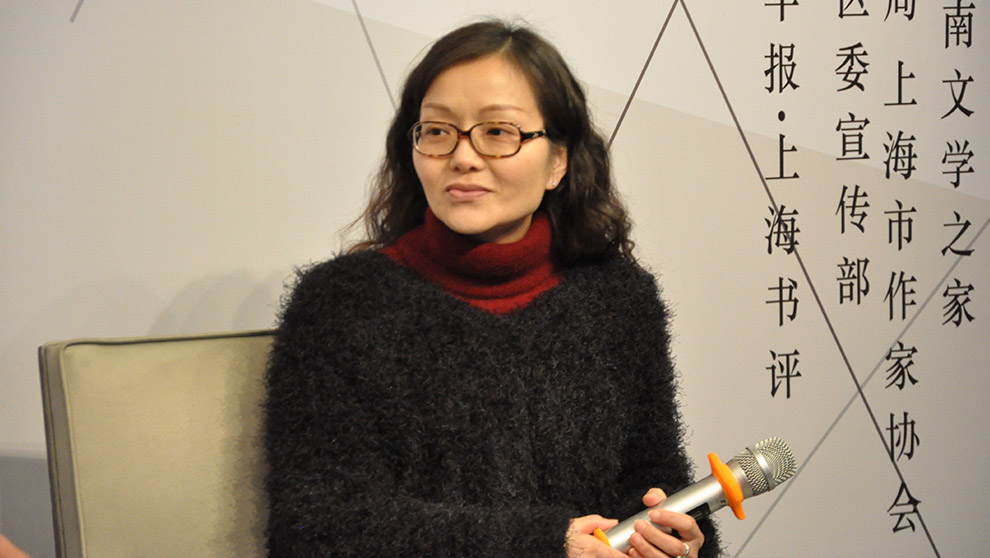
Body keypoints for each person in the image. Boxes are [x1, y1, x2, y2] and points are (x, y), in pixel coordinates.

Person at [263, 19, 721, 558]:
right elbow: (319, 525)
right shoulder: (342, 304)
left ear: (558, 161)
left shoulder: (619, 298)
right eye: (438, 131)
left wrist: (677, 540)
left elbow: (653, 478)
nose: (462, 156)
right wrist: (542, 545)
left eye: (499, 132)